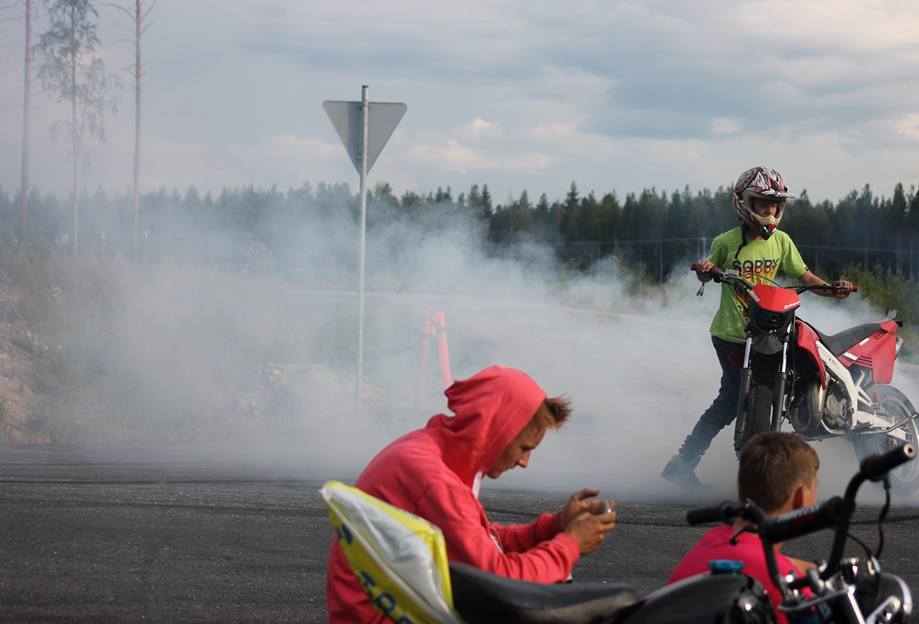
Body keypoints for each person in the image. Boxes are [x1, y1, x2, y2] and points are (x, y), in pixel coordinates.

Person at [326, 364, 617, 622]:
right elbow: (502, 583)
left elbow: (484, 543)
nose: (524, 462)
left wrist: (556, 526)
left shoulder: (434, 452)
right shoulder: (435, 481)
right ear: (498, 430)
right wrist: (570, 545)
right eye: (524, 448)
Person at [661, 166, 853, 489]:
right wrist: (706, 269)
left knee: (761, 393)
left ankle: (743, 463)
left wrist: (832, 290)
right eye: (763, 203)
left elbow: (804, 277)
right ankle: (693, 463)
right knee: (735, 399)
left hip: (769, 331)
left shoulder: (782, 242)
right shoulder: (726, 242)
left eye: (775, 204)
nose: (770, 210)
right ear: (743, 202)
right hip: (731, 335)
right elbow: (707, 270)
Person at [668, 432, 819, 624]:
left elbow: (750, 557)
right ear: (801, 497)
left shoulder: (716, 540)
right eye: (815, 489)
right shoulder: (780, 585)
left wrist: (808, 567)